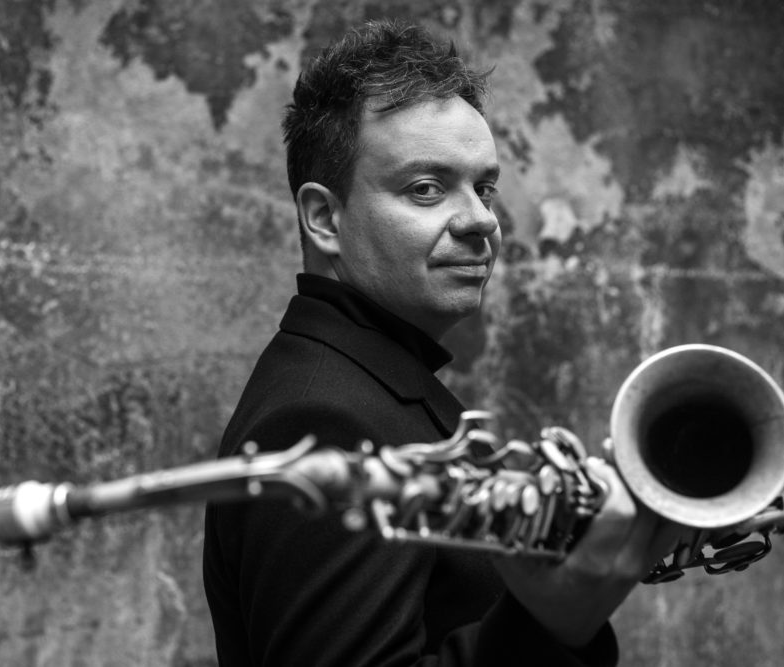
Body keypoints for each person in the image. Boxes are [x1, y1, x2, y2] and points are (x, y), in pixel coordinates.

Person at [202, 19, 679, 666]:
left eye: (484, 188)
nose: (482, 220)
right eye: (426, 189)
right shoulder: (320, 421)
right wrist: (555, 615)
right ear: (324, 218)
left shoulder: (374, 386)